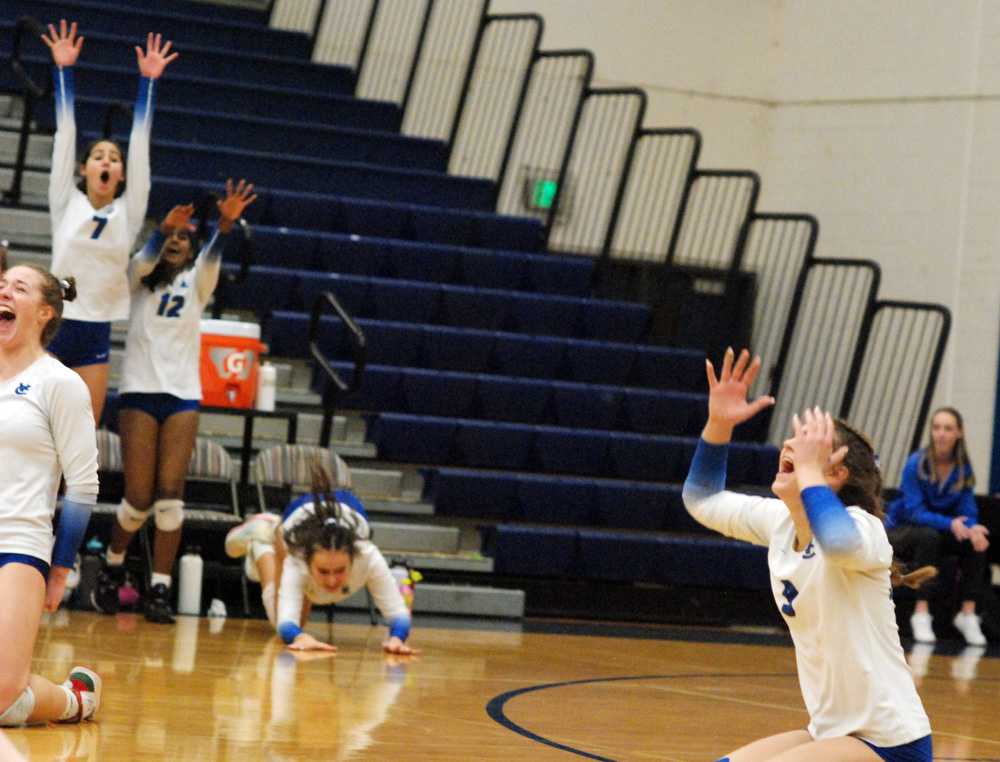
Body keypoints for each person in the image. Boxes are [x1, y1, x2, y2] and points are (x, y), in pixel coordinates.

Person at [683, 348, 931, 761]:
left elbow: (836, 542)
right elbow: (701, 498)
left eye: (811, 445)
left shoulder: (862, 528)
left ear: (837, 473)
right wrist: (718, 425)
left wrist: (810, 472)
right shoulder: (778, 521)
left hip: (890, 744)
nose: (791, 444)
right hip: (830, 734)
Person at [91, 180, 257, 623]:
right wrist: (159, 233)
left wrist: (223, 225)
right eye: (172, 237)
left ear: (192, 248)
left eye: (185, 237)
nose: (177, 243)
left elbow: (213, 255)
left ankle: (159, 589)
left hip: (182, 395)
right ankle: (112, 565)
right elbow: (141, 260)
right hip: (139, 393)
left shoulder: (198, 281)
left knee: (170, 496)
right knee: (139, 497)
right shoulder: (139, 280)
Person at [42, 19, 178, 425]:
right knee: (38, 434)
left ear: (120, 174)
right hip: (55, 325)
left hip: (96, 332)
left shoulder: (129, 212)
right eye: (99, 156)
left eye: (113, 159)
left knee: (82, 439)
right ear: (84, 168)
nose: (107, 161)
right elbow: (66, 131)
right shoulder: (66, 202)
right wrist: (63, 70)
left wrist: (148, 82)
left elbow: (140, 146)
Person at [0, 263, 101, 726]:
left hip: (19, 547)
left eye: (17, 288)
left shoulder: (59, 383)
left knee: (2, 696)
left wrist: (60, 568)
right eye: (2, 285)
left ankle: (75, 699)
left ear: (43, 312)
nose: (4, 292)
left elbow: (82, 486)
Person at [225, 461, 418, 655]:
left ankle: (267, 535)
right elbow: (286, 623)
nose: (332, 580)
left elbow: (398, 614)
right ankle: (263, 538)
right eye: (323, 571)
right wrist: (298, 636)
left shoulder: (368, 556)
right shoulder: (297, 557)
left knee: (301, 614)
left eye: (340, 570)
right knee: (279, 623)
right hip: (294, 523)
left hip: (346, 510)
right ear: (307, 561)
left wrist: (397, 638)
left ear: (353, 557)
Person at [885, 407, 989, 646]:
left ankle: (968, 613)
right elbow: (914, 511)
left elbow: (968, 510)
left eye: (948, 428)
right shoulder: (916, 464)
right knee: (929, 537)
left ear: (959, 434)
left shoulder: (963, 468)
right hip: (903, 528)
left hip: (938, 528)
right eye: (937, 428)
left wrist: (973, 528)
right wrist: (950, 523)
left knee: (977, 541)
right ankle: (921, 612)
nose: (941, 434)